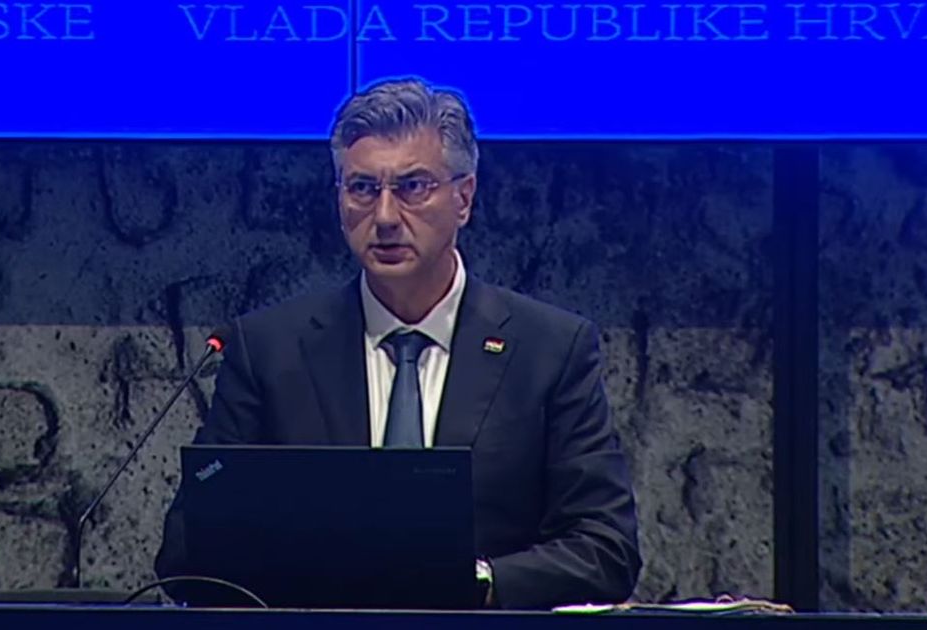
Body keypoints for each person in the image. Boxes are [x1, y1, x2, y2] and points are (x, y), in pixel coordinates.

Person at [155, 77, 641, 610]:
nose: (385, 217)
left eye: (413, 187)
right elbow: (187, 555)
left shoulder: (549, 350)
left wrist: (475, 581)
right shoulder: (270, 350)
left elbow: (605, 550)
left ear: (464, 198)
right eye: (363, 188)